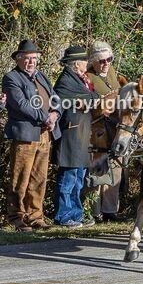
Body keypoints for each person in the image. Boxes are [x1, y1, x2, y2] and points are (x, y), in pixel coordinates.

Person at [3, 40, 61, 232]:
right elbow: (22, 105)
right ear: (18, 59)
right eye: (27, 59)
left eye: (34, 59)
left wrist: (55, 114)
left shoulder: (42, 76)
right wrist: (46, 117)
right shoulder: (11, 78)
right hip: (25, 135)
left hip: (44, 134)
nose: (31, 62)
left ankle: (35, 215)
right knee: (20, 178)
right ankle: (17, 217)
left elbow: (55, 98)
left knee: (39, 178)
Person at [52, 46, 101, 228]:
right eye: (84, 61)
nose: (86, 64)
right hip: (70, 134)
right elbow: (85, 98)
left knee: (78, 179)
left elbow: (94, 96)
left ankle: (76, 214)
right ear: (76, 64)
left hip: (81, 134)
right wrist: (88, 100)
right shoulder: (66, 81)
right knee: (68, 178)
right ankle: (63, 216)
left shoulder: (81, 80)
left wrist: (87, 100)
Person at [86, 41, 126, 222]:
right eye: (101, 60)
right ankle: (94, 211)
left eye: (109, 59)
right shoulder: (88, 77)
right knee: (97, 170)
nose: (106, 63)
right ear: (93, 61)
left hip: (115, 126)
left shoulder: (111, 72)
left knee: (116, 167)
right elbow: (90, 105)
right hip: (99, 129)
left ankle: (110, 209)